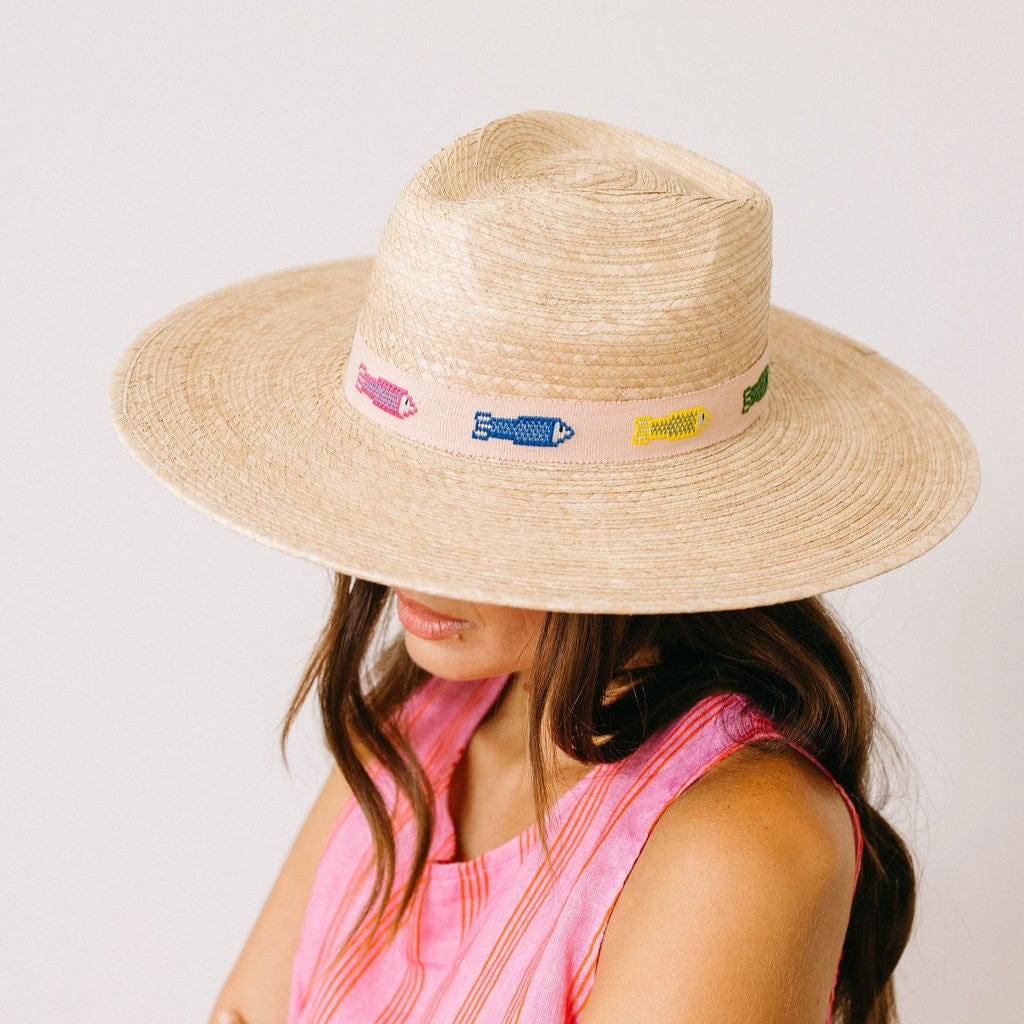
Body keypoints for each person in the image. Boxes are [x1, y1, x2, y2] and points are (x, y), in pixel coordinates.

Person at [108, 110, 980, 1024]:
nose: (398, 546)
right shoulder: (419, 733)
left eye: (474, 506)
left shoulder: (741, 844)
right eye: (392, 484)